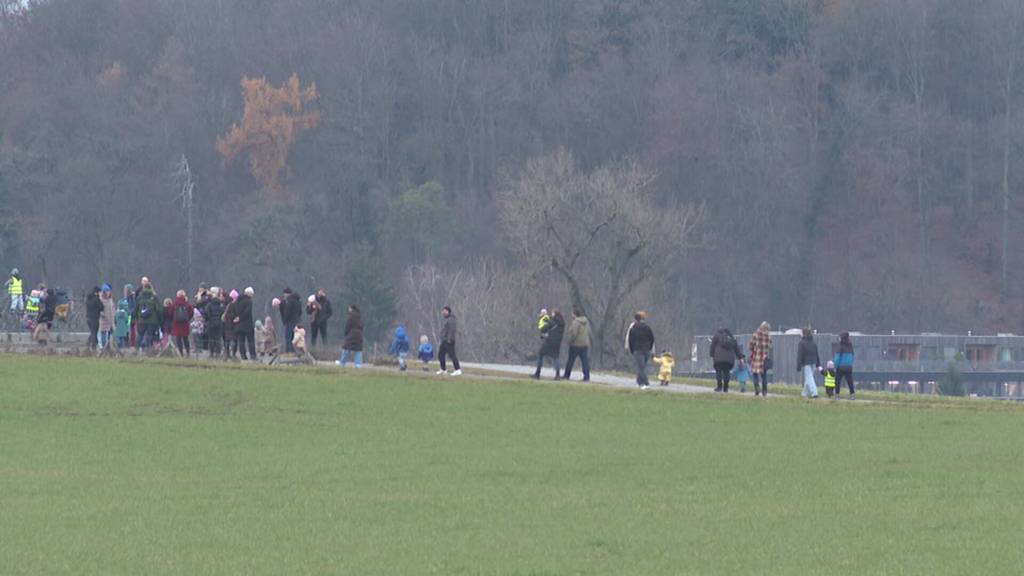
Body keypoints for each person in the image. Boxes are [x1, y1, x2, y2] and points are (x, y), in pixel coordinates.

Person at [625, 311, 655, 388]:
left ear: (635, 319)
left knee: (641, 367)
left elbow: (630, 340)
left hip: (637, 350)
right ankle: (640, 381)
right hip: (647, 349)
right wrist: (650, 348)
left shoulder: (633, 328)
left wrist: (631, 349)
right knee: (643, 366)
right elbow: (652, 339)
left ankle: (645, 382)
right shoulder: (647, 327)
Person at [533, 308, 565, 380]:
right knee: (555, 358)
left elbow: (544, 329)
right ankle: (557, 375)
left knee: (540, 354)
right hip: (557, 343)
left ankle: (537, 373)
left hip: (549, 341)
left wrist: (543, 318)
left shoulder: (553, 321)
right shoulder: (562, 322)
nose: (551, 314)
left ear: (555, 314)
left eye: (552, 313)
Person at [563, 307, 591, 381]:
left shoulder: (575, 322)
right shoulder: (586, 322)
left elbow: (574, 334)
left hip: (576, 345)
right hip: (585, 344)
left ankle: (566, 376)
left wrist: (570, 341)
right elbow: (588, 332)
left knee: (570, 361)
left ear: (574, 314)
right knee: (585, 362)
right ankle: (587, 376)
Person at [710, 327, 742, 393]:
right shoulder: (731, 337)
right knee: (726, 372)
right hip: (729, 359)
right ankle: (726, 388)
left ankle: (719, 387)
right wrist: (740, 357)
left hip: (718, 357)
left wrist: (712, 355)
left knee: (718, 372)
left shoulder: (717, 335)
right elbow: (736, 348)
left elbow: (712, 346)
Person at [134, 282, 162, 350]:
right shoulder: (154, 297)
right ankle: (148, 350)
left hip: (141, 320)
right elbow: (159, 309)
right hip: (152, 321)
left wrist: (136, 318)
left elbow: (135, 309)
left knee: (140, 335)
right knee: (150, 335)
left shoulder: (139, 297)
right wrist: (159, 319)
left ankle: (136, 350)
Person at [748, 321, 772, 397]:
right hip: (764, 358)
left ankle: (757, 389)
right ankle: (764, 391)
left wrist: (754, 348)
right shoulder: (769, 336)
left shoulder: (756, 335)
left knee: (755, 374)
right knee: (764, 375)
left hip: (757, 357)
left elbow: (750, 346)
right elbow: (770, 346)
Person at [437, 306, 462, 376]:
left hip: (449, 340)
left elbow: (452, 330)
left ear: (448, 311)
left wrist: (449, 339)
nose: (443, 312)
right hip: (444, 340)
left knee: (452, 355)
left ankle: (458, 369)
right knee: (440, 355)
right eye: (443, 311)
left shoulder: (451, 319)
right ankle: (443, 369)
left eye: (444, 311)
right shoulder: (446, 319)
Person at [797, 328, 821, 398]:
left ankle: (814, 393)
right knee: (809, 378)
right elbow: (816, 353)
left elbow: (800, 355)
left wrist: (799, 365)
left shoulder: (801, 343)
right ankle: (804, 393)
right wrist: (818, 364)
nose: (800, 334)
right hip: (814, 362)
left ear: (804, 334)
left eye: (801, 333)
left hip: (806, 362)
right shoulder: (813, 342)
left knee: (809, 378)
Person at [234, 287, 257, 361]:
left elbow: (235, 310)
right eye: (252, 294)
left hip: (239, 324)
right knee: (250, 341)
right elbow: (247, 312)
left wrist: (238, 318)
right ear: (249, 294)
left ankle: (243, 356)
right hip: (247, 324)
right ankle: (253, 356)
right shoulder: (249, 301)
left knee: (241, 341)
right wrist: (241, 317)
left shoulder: (238, 301)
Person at [169, 290, 194, 357]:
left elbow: (170, 313)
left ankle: (181, 353)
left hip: (176, 324)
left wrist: (173, 319)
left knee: (178, 339)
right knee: (186, 339)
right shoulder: (187, 304)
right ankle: (188, 352)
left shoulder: (174, 304)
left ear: (177, 295)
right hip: (185, 324)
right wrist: (187, 318)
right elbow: (191, 312)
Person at [202, 287, 225, 358]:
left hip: (211, 323)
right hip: (219, 324)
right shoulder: (221, 306)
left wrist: (207, 320)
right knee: (218, 338)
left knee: (211, 339)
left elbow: (206, 314)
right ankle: (218, 353)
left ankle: (211, 353)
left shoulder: (209, 305)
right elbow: (223, 313)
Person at [279, 288, 302, 353]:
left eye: (284, 294)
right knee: (294, 337)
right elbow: (300, 312)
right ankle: (294, 350)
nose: (284, 295)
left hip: (289, 322)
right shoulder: (298, 301)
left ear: (287, 294)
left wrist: (284, 320)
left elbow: (287, 312)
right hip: (296, 322)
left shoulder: (289, 301)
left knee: (288, 337)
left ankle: (289, 350)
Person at [834, 332, 856, 400]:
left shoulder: (840, 346)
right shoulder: (850, 346)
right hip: (848, 367)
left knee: (837, 381)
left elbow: (837, 358)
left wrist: (835, 365)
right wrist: (850, 364)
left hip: (840, 367)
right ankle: (852, 395)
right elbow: (852, 356)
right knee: (850, 381)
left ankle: (837, 395)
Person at [85, 285, 103, 351]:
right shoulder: (96, 299)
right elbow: (102, 307)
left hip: (88, 317)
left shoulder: (88, 298)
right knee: (94, 332)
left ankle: (88, 343)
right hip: (95, 318)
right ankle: (93, 346)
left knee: (92, 332)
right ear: (97, 292)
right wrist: (99, 298)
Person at [223, 290, 239, 359]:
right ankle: (233, 354)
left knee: (228, 340)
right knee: (234, 340)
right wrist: (235, 317)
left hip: (227, 325)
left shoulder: (228, 304)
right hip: (232, 325)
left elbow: (226, 315)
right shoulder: (233, 305)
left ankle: (227, 354)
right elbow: (230, 315)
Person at [98, 284, 116, 350]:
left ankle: (110, 346)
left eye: (109, 291)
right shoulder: (100, 299)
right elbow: (98, 309)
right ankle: (104, 347)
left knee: (110, 333)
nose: (108, 293)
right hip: (104, 320)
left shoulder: (110, 299)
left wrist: (114, 314)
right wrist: (102, 314)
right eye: (107, 291)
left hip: (111, 319)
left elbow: (113, 308)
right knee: (103, 332)